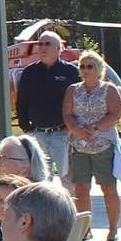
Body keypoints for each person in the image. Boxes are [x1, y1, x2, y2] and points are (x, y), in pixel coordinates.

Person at [63, 49, 121, 241]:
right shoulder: (73, 89)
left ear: (100, 69)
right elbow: (67, 114)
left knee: (108, 187)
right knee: (80, 187)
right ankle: (85, 229)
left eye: (90, 66)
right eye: (82, 66)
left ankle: (113, 229)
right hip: (79, 146)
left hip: (103, 146)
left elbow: (115, 113)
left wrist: (96, 128)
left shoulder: (109, 89)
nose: (86, 70)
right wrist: (78, 130)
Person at [12, 32, 81, 185]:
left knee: (68, 179)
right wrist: (27, 129)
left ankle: (69, 208)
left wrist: (71, 127)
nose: (42, 47)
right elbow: (21, 101)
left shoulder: (71, 72)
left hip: (62, 135)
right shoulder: (29, 72)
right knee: (40, 180)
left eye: (47, 44)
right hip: (38, 134)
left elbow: (79, 101)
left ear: (58, 48)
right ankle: (44, 208)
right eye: (40, 44)